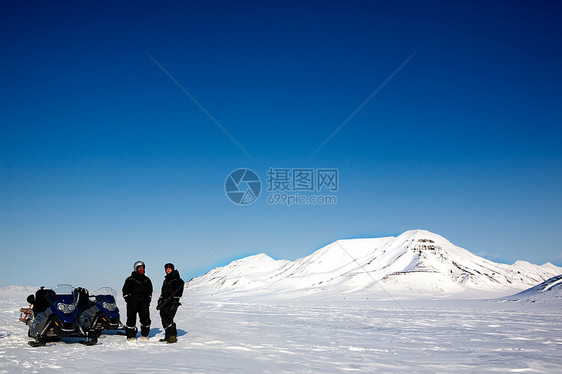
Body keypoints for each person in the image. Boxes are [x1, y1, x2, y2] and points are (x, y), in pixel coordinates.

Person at [122, 260, 153, 340]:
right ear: (136, 269)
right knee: (131, 319)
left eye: (143, 268)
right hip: (132, 303)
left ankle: (144, 335)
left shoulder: (147, 280)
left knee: (145, 319)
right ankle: (131, 336)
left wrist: (147, 299)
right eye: (139, 268)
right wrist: (129, 299)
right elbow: (125, 291)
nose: (141, 269)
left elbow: (150, 291)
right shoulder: (130, 280)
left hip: (143, 303)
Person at [157, 263, 184, 343]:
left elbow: (179, 292)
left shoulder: (177, 279)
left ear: (172, 269)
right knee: (163, 318)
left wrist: (175, 301)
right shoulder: (166, 280)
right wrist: (160, 302)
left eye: (169, 269)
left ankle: (172, 337)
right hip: (165, 302)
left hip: (172, 302)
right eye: (166, 269)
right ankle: (167, 336)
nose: (168, 270)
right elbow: (163, 292)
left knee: (169, 318)